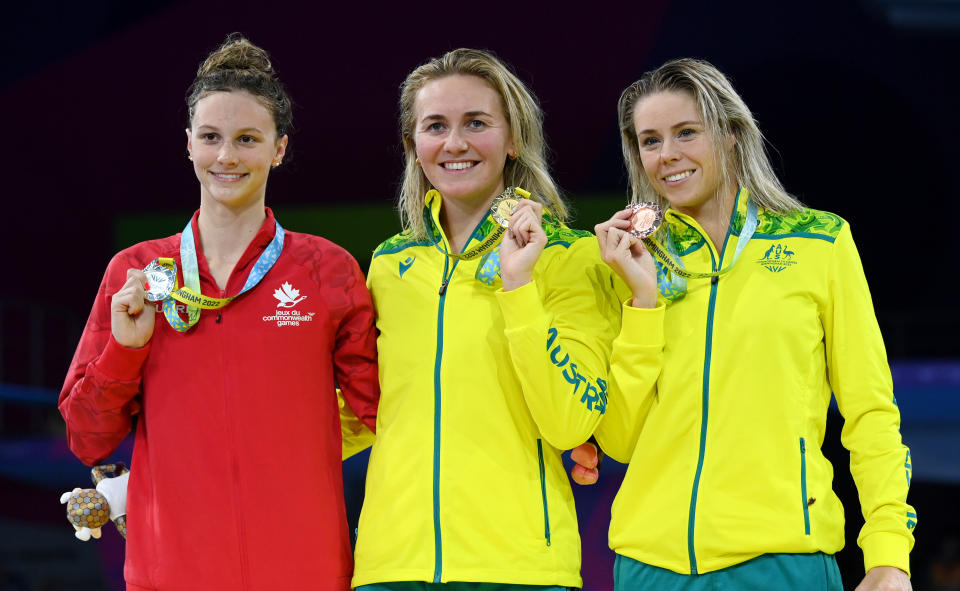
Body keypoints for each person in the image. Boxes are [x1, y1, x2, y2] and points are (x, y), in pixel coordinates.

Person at [578, 58, 916, 590]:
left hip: (783, 560)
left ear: (732, 133)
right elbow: (618, 439)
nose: (667, 156)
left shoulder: (819, 243)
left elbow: (871, 412)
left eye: (686, 132)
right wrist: (642, 300)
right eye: (650, 140)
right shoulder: (627, 263)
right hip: (649, 566)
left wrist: (889, 554)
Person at [59, 35, 379, 591]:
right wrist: (125, 349)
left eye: (247, 139)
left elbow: (390, 414)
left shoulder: (326, 270)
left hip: (306, 572)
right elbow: (87, 437)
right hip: (171, 574)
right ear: (188, 144)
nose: (226, 156)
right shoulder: (137, 273)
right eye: (211, 138)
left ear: (279, 148)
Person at [351, 48, 625, 590]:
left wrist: (518, 286)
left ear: (513, 138)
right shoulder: (389, 264)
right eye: (435, 126)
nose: (455, 143)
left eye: (476, 123)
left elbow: (571, 423)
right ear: (413, 145)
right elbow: (359, 409)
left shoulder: (569, 258)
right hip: (392, 567)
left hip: (519, 569)